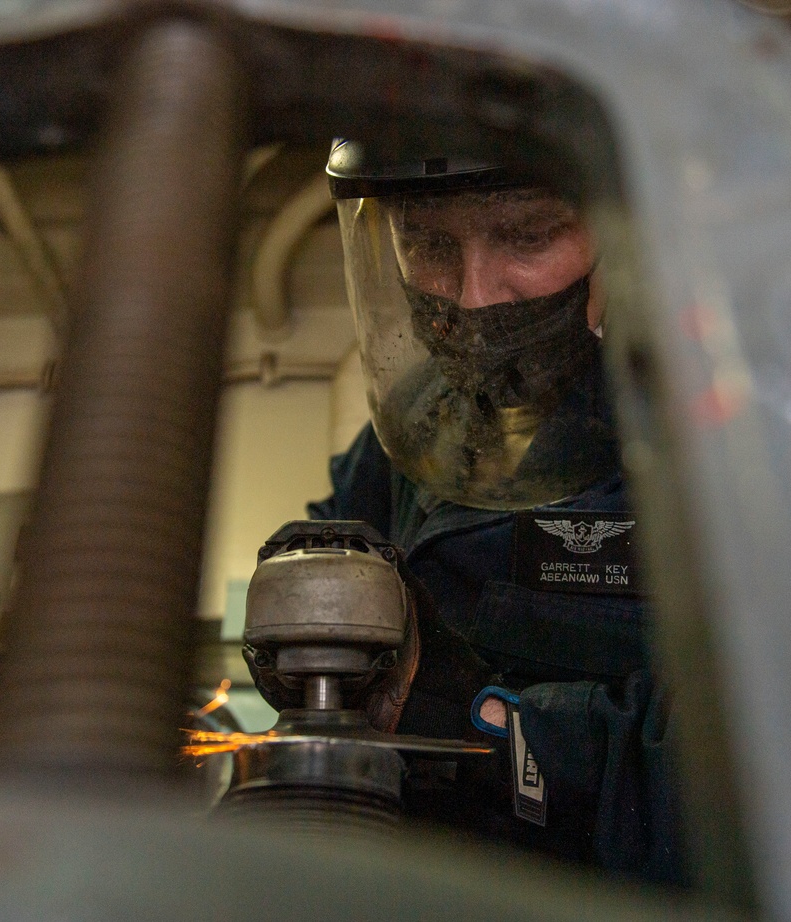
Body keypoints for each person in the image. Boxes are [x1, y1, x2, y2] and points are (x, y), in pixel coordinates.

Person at [304, 141, 686, 884]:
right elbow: (344, 526)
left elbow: (738, 789)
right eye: (428, 242)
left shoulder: (737, 431)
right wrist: (313, 562)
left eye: (529, 233)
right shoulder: (422, 419)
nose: (473, 297)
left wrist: (482, 726)